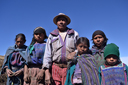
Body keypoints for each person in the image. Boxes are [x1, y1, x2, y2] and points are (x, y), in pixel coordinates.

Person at [43, 13, 79, 85]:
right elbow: (47, 53)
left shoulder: (74, 34)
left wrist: (75, 53)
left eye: (63, 20)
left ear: (66, 22)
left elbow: (79, 48)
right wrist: (47, 72)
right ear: (56, 23)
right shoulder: (52, 35)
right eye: (59, 20)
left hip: (70, 67)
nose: (61, 22)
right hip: (55, 67)